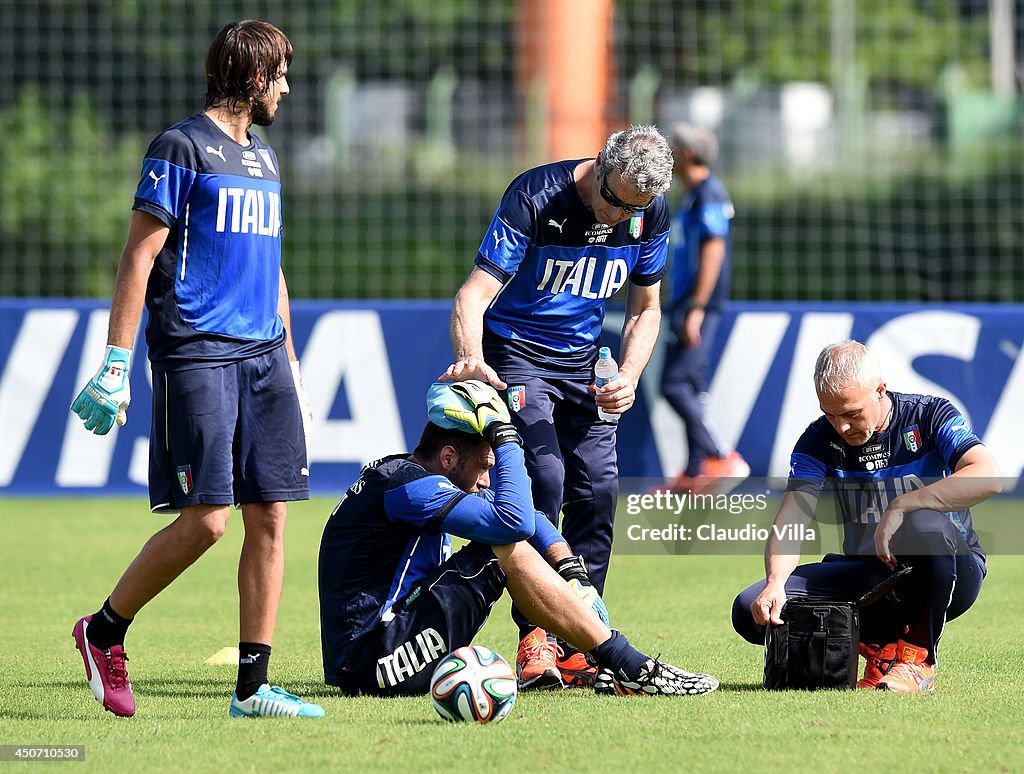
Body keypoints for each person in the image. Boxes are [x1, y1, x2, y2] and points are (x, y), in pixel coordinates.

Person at [69, 20, 321, 719]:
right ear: (252, 74)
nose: (287, 87)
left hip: (265, 355)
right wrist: (117, 363)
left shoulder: (265, 157)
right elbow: (138, 257)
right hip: (198, 351)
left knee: (270, 514)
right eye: (281, 74)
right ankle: (104, 630)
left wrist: (293, 366)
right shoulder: (180, 146)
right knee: (210, 521)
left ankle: (252, 688)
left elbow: (273, 273)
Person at [444, 125, 674, 689]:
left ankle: (582, 638)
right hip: (517, 353)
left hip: (584, 364)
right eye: (614, 201)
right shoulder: (535, 196)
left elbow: (646, 307)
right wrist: (472, 361)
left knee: (598, 487)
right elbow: (473, 294)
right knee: (543, 477)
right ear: (600, 165)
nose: (619, 217)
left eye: (634, 209)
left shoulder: (651, 211)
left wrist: (629, 374)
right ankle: (536, 637)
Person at [318, 379, 718, 698]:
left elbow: (532, 518)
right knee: (501, 548)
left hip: (377, 652)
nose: (488, 478)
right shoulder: (410, 489)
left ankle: (608, 659)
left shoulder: (414, 477)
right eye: (485, 465)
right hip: (374, 662)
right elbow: (513, 522)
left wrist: (571, 570)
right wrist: (506, 437)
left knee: (503, 538)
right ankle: (631, 666)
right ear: (448, 457)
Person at [732, 340, 1001, 692]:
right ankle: (881, 648)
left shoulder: (929, 415)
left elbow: (988, 475)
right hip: (873, 574)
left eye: (852, 414)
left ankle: (917, 660)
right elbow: (793, 515)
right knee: (751, 608)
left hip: (949, 570)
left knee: (922, 522)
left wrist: (903, 505)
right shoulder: (817, 441)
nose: (842, 427)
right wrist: (775, 582)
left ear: (880, 391)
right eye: (831, 415)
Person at [659, 122, 748, 494]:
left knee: (675, 384)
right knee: (691, 386)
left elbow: (714, 250)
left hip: (698, 306)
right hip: (685, 303)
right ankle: (696, 470)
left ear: (689, 154)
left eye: (674, 148)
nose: (669, 155)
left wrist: (696, 306)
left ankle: (721, 454)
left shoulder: (710, 193)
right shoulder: (695, 194)